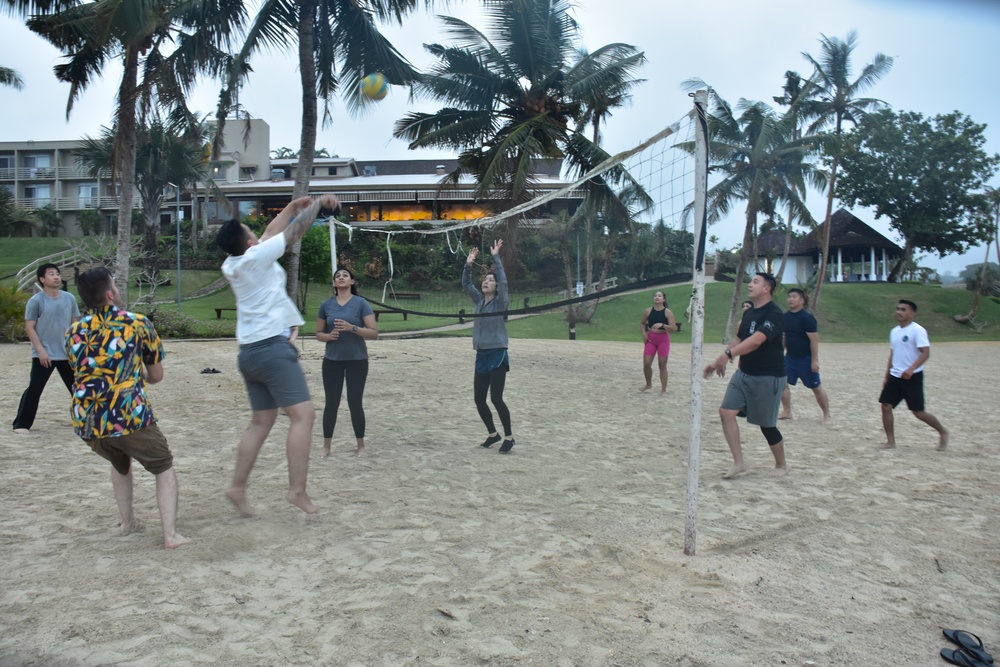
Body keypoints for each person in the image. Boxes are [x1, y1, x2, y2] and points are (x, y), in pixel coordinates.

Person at [216, 193, 340, 515]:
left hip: (249, 354)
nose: (258, 235)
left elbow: (272, 233)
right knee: (304, 416)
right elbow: (290, 234)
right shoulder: (256, 258)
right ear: (247, 243)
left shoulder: (234, 263)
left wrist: (289, 207)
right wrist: (317, 206)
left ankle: (237, 487)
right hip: (272, 349)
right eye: (251, 233)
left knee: (261, 422)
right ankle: (297, 491)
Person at [66, 267, 189, 549]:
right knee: (163, 467)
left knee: (119, 461)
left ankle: (127, 522)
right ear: (110, 294)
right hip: (127, 415)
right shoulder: (137, 323)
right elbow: (156, 376)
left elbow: (84, 372)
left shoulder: (73, 332)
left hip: (88, 420)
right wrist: (134, 376)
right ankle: (170, 535)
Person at [704, 272, 789, 479]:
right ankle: (739, 463)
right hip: (744, 374)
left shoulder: (774, 314)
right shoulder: (750, 314)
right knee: (726, 411)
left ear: (766, 289)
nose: (750, 284)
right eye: (751, 281)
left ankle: (782, 465)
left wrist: (728, 355)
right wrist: (717, 361)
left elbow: (757, 340)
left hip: (768, 376)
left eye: (755, 282)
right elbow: (740, 339)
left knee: (767, 425)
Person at [316, 266, 378, 458]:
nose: (341, 278)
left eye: (345, 275)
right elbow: (318, 334)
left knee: (354, 403)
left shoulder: (361, 303)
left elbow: (374, 333)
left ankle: (360, 445)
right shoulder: (326, 305)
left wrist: (353, 328)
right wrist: (329, 336)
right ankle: (326, 446)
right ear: (334, 283)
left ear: (352, 282)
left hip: (357, 360)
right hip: (332, 360)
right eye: (337, 276)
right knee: (331, 403)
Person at [12, 263, 80, 434]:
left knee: (78, 389)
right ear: (42, 279)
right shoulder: (36, 301)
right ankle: (21, 424)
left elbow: (75, 324)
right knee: (34, 389)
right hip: (44, 354)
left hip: (67, 354)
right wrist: (41, 351)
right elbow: (30, 327)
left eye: (57, 273)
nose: (56, 276)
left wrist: (78, 347)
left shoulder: (69, 298)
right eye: (51, 274)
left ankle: (87, 421)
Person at [462, 239, 515, 454]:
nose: (486, 282)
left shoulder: (500, 302)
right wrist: (468, 264)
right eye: (485, 279)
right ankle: (493, 434)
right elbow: (466, 284)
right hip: (481, 354)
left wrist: (496, 258)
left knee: (496, 398)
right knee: (478, 399)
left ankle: (509, 437)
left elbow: (503, 283)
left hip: (497, 353)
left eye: (490, 280)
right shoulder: (478, 301)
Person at [878, 299, 949, 450]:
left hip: (912, 377)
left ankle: (943, 432)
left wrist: (911, 369)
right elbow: (893, 354)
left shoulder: (917, 330)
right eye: (898, 309)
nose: (899, 312)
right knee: (885, 406)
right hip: (895, 376)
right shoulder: (894, 331)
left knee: (918, 412)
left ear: (912, 313)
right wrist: (887, 375)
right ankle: (890, 441)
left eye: (903, 309)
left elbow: (925, 353)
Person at [779, 288, 831, 422]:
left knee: (816, 387)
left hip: (805, 359)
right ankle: (787, 411)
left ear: (801, 300)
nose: (790, 299)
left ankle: (826, 414)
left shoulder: (807, 318)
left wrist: (814, 361)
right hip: (789, 358)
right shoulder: (785, 317)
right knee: (782, 383)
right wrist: (781, 353)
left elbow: (814, 340)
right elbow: (785, 336)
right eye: (789, 297)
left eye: (794, 297)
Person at [639, 290, 677, 393]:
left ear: (663, 299)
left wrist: (663, 325)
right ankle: (648, 384)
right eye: (655, 295)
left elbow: (673, 328)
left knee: (662, 364)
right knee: (646, 363)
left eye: (659, 296)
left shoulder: (667, 312)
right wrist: (644, 334)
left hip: (663, 339)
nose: (657, 297)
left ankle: (663, 389)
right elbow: (642, 323)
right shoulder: (648, 311)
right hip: (651, 338)